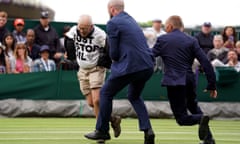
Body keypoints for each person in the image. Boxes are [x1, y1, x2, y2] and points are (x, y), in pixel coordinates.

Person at [84, 0, 155, 144]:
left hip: (130, 65)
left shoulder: (113, 23)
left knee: (105, 93)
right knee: (134, 96)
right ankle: (148, 130)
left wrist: (109, 58)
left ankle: (102, 131)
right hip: (147, 65)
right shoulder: (132, 21)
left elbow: (115, 53)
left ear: (111, 9)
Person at [152, 15, 217, 144]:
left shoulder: (163, 39)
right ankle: (208, 139)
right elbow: (205, 62)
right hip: (189, 80)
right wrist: (212, 84)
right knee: (193, 107)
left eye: (166, 26)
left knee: (182, 119)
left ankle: (200, 119)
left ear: (170, 26)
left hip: (174, 82)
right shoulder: (191, 40)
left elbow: (149, 56)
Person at [65, 14, 121, 138]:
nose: (81, 30)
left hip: (96, 68)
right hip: (82, 69)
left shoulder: (100, 34)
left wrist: (107, 61)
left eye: (84, 28)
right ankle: (113, 119)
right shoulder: (74, 30)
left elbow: (109, 48)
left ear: (91, 26)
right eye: (80, 27)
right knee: (91, 103)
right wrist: (70, 55)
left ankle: (100, 131)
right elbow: (68, 39)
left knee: (97, 100)